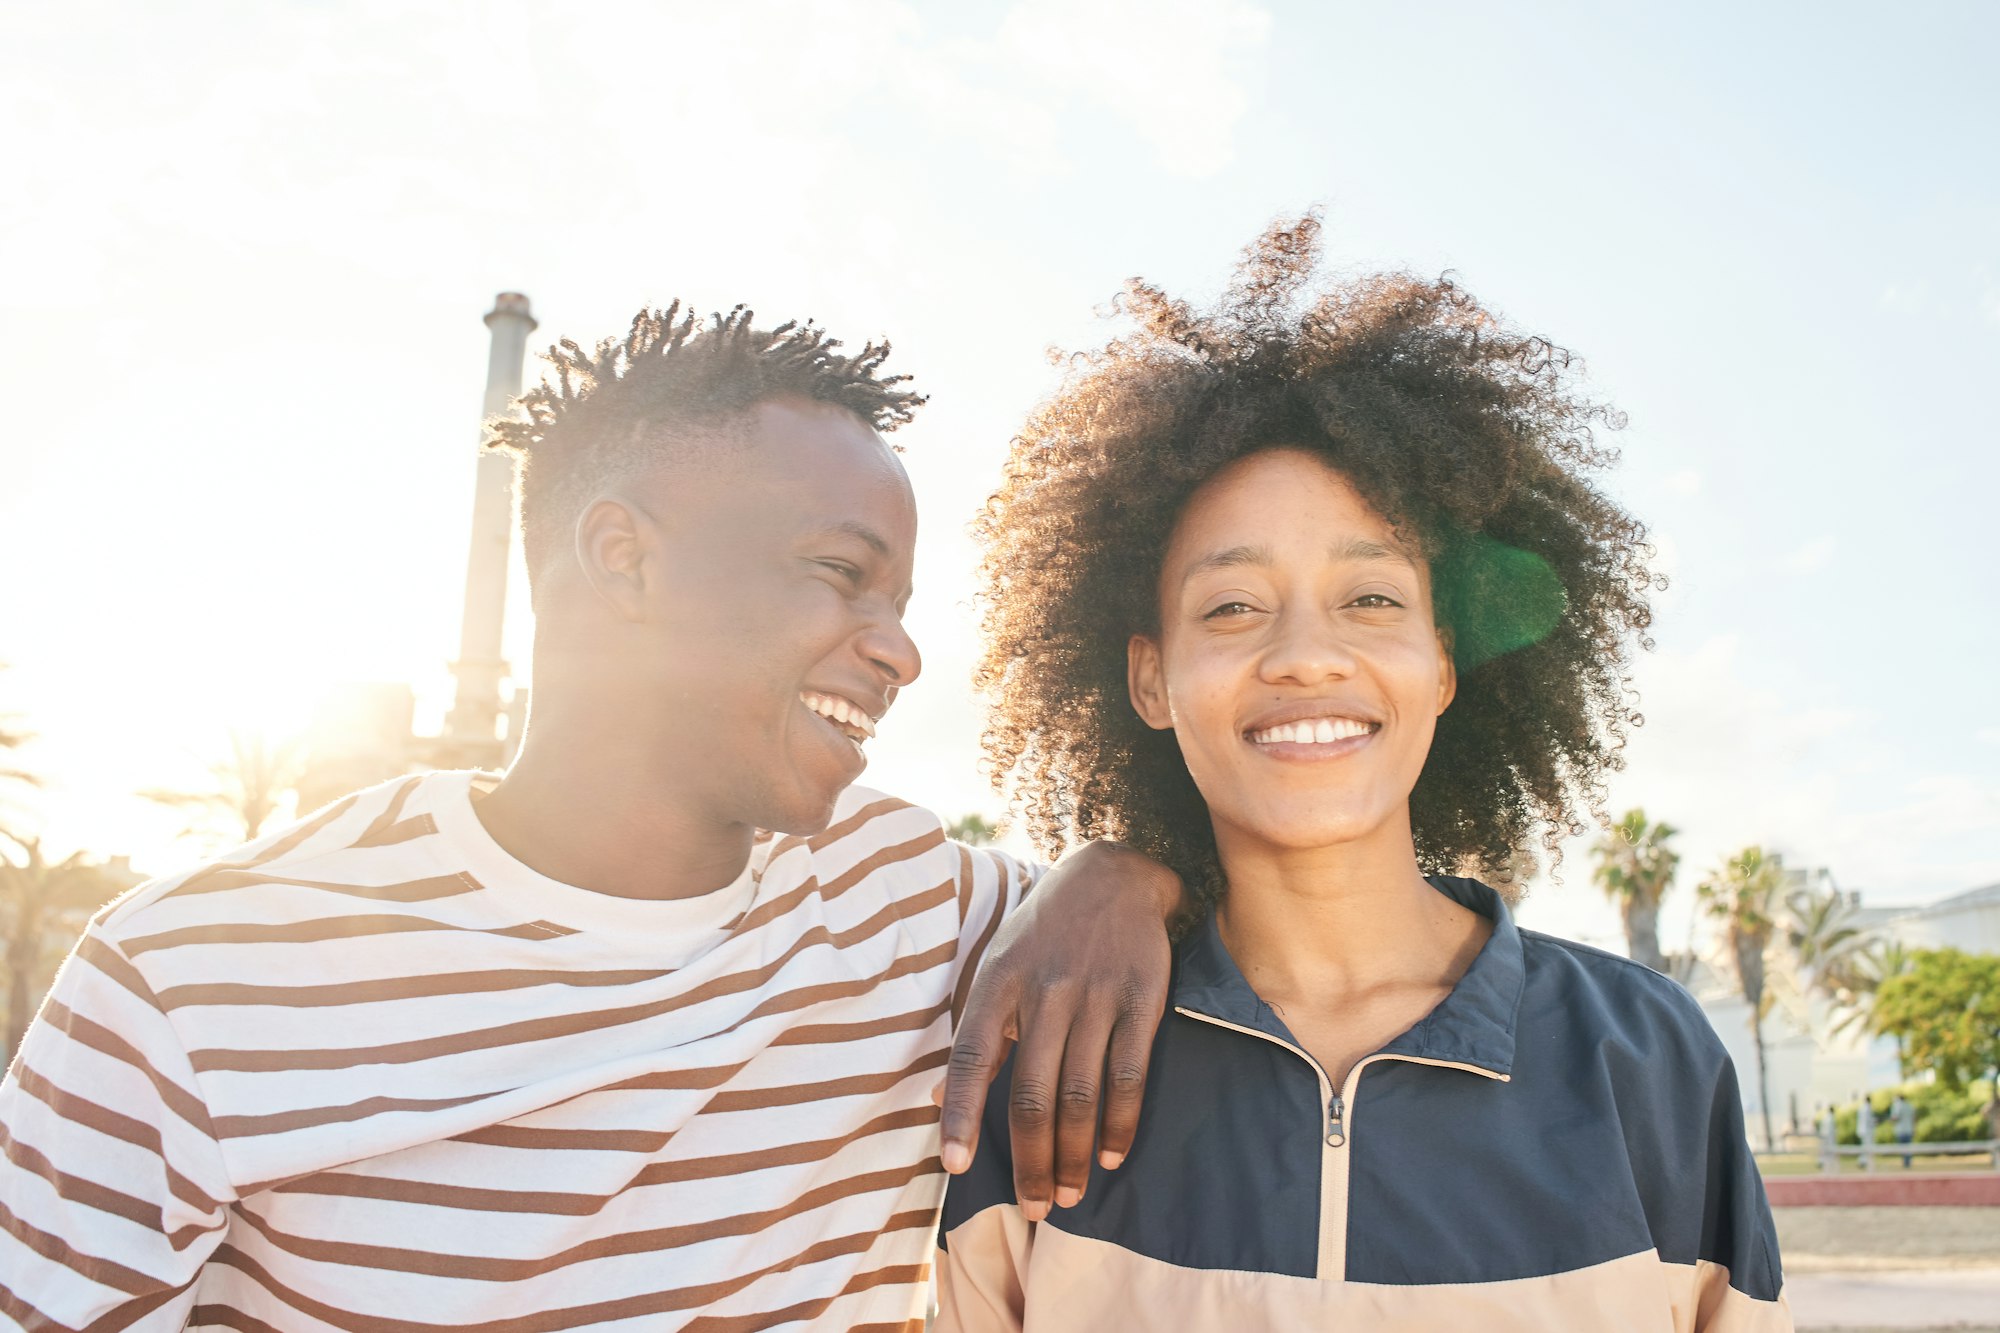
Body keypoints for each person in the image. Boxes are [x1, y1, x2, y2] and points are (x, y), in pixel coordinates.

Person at [0, 306, 1182, 1329]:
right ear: (622, 558)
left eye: (901, 599)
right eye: (840, 572)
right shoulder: (184, 984)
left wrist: (1126, 868)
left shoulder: (917, 903)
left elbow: (1271, 854)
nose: (902, 649)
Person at [936, 216, 1790, 1329]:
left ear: (1442, 661)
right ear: (1149, 679)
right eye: (1231, 605)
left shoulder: (1646, 1056)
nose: (1302, 653)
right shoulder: (1056, 1056)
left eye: (1371, 597)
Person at [1890, 1092, 1916, 1168]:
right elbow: (1914, 1118)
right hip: (1909, 1129)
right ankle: (1908, 1163)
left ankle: (1905, 1163)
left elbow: (1896, 1117)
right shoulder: (1910, 1106)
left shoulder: (1898, 1106)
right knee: (1908, 1147)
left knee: (1902, 1148)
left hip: (1901, 1130)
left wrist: (1891, 1120)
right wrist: (1914, 1129)